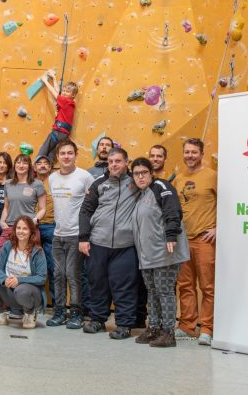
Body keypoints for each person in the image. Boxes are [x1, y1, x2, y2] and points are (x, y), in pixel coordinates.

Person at [78, 147, 139, 340]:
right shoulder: (99, 184)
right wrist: (83, 238)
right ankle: (97, 320)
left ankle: (124, 324)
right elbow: (86, 211)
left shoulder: (136, 183)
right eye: (111, 161)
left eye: (118, 161)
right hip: (98, 243)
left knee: (124, 286)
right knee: (98, 284)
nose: (114, 164)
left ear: (126, 162)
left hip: (126, 246)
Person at [130, 158, 189, 347]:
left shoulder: (161, 186)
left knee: (164, 291)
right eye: (136, 173)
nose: (140, 177)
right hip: (147, 255)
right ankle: (154, 328)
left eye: (144, 173)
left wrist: (171, 235)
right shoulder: (141, 194)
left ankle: (168, 332)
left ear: (151, 173)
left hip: (165, 251)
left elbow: (173, 210)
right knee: (152, 292)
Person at [173, 138, 217, 346]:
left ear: (201, 154)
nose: (190, 155)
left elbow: (227, 204)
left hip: (204, 240)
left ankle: (207, 328)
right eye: (187, 152)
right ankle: (186, 325)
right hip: (183, 240)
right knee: (185, 285)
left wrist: (219, 228)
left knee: (208, 287)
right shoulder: (179, 178)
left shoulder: (212, 176)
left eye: (194, 152)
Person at [47, 139, 94, 329]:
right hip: (58, 234)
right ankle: (59, 311)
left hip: (76, 234)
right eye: (62, 153)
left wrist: (86, 235)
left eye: (70, 153)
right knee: (58, 274)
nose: (66, 156)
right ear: (57, 156)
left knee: (73, 275)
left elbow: (91, 206)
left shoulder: (84, 177)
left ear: (75, 155)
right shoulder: (52, 178)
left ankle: (76, 313)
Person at [0, 216, 47, 329]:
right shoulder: (8, 245)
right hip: (10, 291)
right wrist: (4, 279)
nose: (21, 231)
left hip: (29, 294)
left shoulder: (38, 251)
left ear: (31, 231)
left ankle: (30, 313)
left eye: (25, 229)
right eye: (18, 228)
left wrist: (19, 280)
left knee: (21, 290)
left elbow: (41, 278)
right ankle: (0, 315)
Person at [0, 154, 46, 262]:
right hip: (9, 228)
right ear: (14, 165)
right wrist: (2, 222)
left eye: (25, 163)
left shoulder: (37, 184)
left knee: (28, 263)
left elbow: (42, 209)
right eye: (18, 162)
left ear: (29, 166)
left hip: (29, 229)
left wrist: (34, 221)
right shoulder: (8, 183)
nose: (21, 165)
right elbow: (6, 207)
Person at [37, 70, 78, 163]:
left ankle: (36, 166)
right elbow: (58, 92)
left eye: (67, 91)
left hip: (58, 131)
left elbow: (55, 94)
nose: (64, 93)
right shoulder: (70, 103)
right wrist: (54, 78)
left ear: (73, 95)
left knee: (44, 149)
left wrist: (45, 81)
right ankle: (47, 169)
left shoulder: (65, 101)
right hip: (64, 134)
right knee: (51, 154)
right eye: (64, 90)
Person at [34, 154, 56, 304]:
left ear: (50, 167)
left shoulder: (55, 182)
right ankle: (34, 302)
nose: (42, 165)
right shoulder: (30, 183)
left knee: (53, 267)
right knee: (32, 266)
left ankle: (55, 304)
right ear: (34, 167)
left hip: (50, 226)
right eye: (39, 163)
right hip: (32, 228)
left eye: (45, 163)